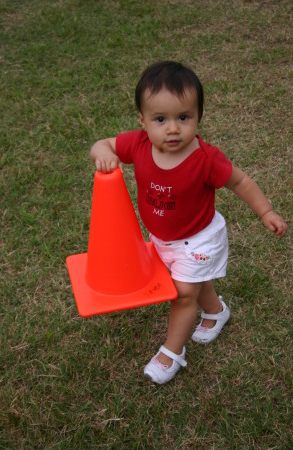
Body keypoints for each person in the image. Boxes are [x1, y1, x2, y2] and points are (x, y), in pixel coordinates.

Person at [90, 61, 287, 384]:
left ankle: (171, 352)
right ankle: (216, 311)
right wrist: (103, 154)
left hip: (198, 240)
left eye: (183, 118)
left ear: (198, 117)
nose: (172, 129)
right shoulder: (138, 144)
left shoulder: (205, 159)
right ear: (142, 121)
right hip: (162, 237)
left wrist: (265, 212)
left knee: (182, 293)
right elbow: (104, 144)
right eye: (160, 119)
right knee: (195, 283)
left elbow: (241, 182)